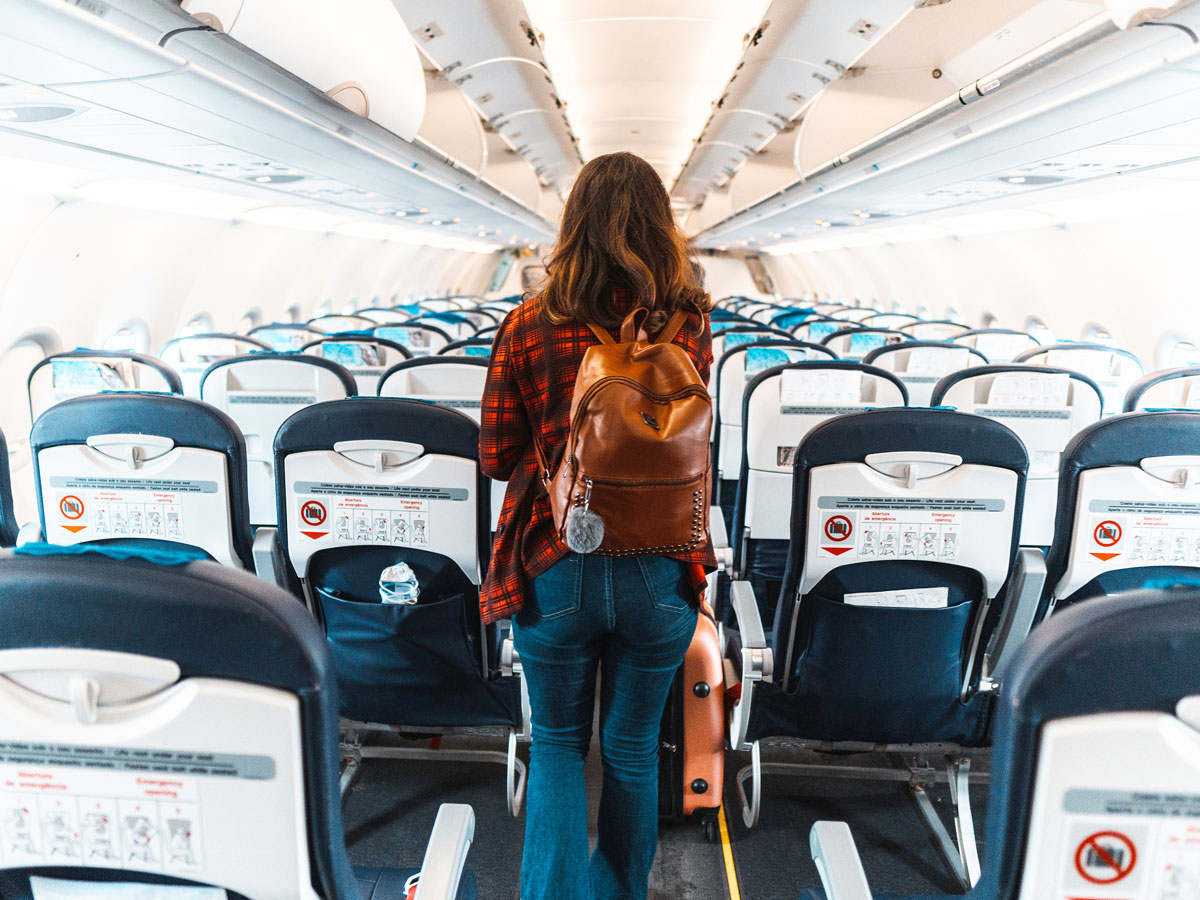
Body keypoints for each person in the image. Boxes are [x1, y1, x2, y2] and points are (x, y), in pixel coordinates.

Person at [479, 151, 716, 900]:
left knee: (553, 745)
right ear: (661, 227)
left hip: (557, 560)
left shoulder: (526, 324)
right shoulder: (689, 324)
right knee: (634, 749)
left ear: (571, 225)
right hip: (660, 564)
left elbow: (494, 455)